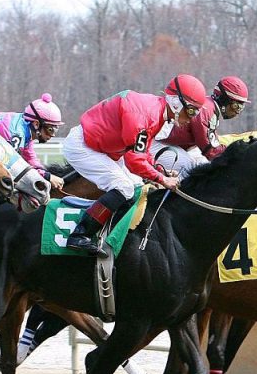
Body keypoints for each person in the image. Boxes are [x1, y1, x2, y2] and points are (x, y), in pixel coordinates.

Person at [61, 74, 207, 255]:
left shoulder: (158, 112)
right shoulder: (146, 115)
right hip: (83, 146)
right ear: (176, 103)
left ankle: (110, 233)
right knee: (124, 187)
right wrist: (162, 179)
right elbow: (134, 161)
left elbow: (142, 152)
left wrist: (158, 169)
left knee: (137, 186)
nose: (192, 118)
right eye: (192, 111)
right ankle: (79, 234)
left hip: (104, 147)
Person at [0, 93, 66, 190]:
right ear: (36, 124)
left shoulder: (25, 126)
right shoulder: (17, 135)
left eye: (55, 129)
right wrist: (47, 177)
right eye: (50, 129)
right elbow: (12, 166)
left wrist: (45, 174)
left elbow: (30, 158)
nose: (53, 135)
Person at [153, 76, 250, 170]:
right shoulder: (207, 111)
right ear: (224, 100)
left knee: (201, 166)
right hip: (157, 142)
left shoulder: (210, 108)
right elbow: (211, 151)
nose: (238, 111)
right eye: (236, 106)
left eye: (242, 107)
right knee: (190, 169)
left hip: (172, 143)